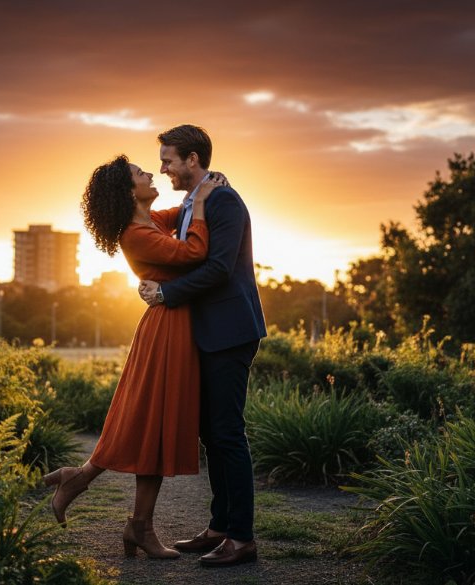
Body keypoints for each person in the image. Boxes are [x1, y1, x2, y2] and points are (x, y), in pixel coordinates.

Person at [43, 154, 226, 559]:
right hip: (165, 332)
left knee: (153, 426)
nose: (149, 173)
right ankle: (130, 519)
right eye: (139, 173)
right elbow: (194, 251)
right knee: (150, 423)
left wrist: (205, 187)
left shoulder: (150, 221)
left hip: (174, 329)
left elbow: (181, 212)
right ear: (129, 192)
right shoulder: (135, 233)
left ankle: (126, 516)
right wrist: (199, 204)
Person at [139, 124, 267, 567]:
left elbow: (218, 268)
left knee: (228, 433)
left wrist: (166, 294)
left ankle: (243, 538)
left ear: (193, 160)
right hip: (209, 331)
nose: (163, 168)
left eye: (168, 160)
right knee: (213, 434)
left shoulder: (225, 201)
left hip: (230, 330)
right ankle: (219, 526)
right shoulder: (194, 202)